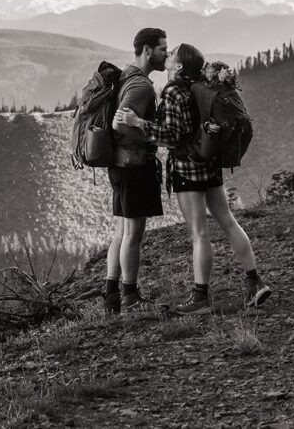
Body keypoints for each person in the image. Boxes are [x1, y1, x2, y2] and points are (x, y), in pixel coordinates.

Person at [115, 43, 271, 314]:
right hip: (210, 166)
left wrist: (139, 123)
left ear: (178, 66)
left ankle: (200, 298)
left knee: (199, 233)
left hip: (188, 171)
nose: (168, 55)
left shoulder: (175, 92)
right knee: (229, 222)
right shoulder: (203, 87)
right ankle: (254, 281)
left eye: (172, 54)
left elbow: (173, 136)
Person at [103, 27, 168, 313]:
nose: (166, 54)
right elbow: (119, 123)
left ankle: (111, 293)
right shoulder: (141, 86)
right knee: (134, 233)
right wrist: (150, 137)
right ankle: (130, 295)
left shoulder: (127, 75)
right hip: (134, 164)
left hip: (119, 164)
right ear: (147, 50)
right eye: (163, 49)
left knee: (122, 230)